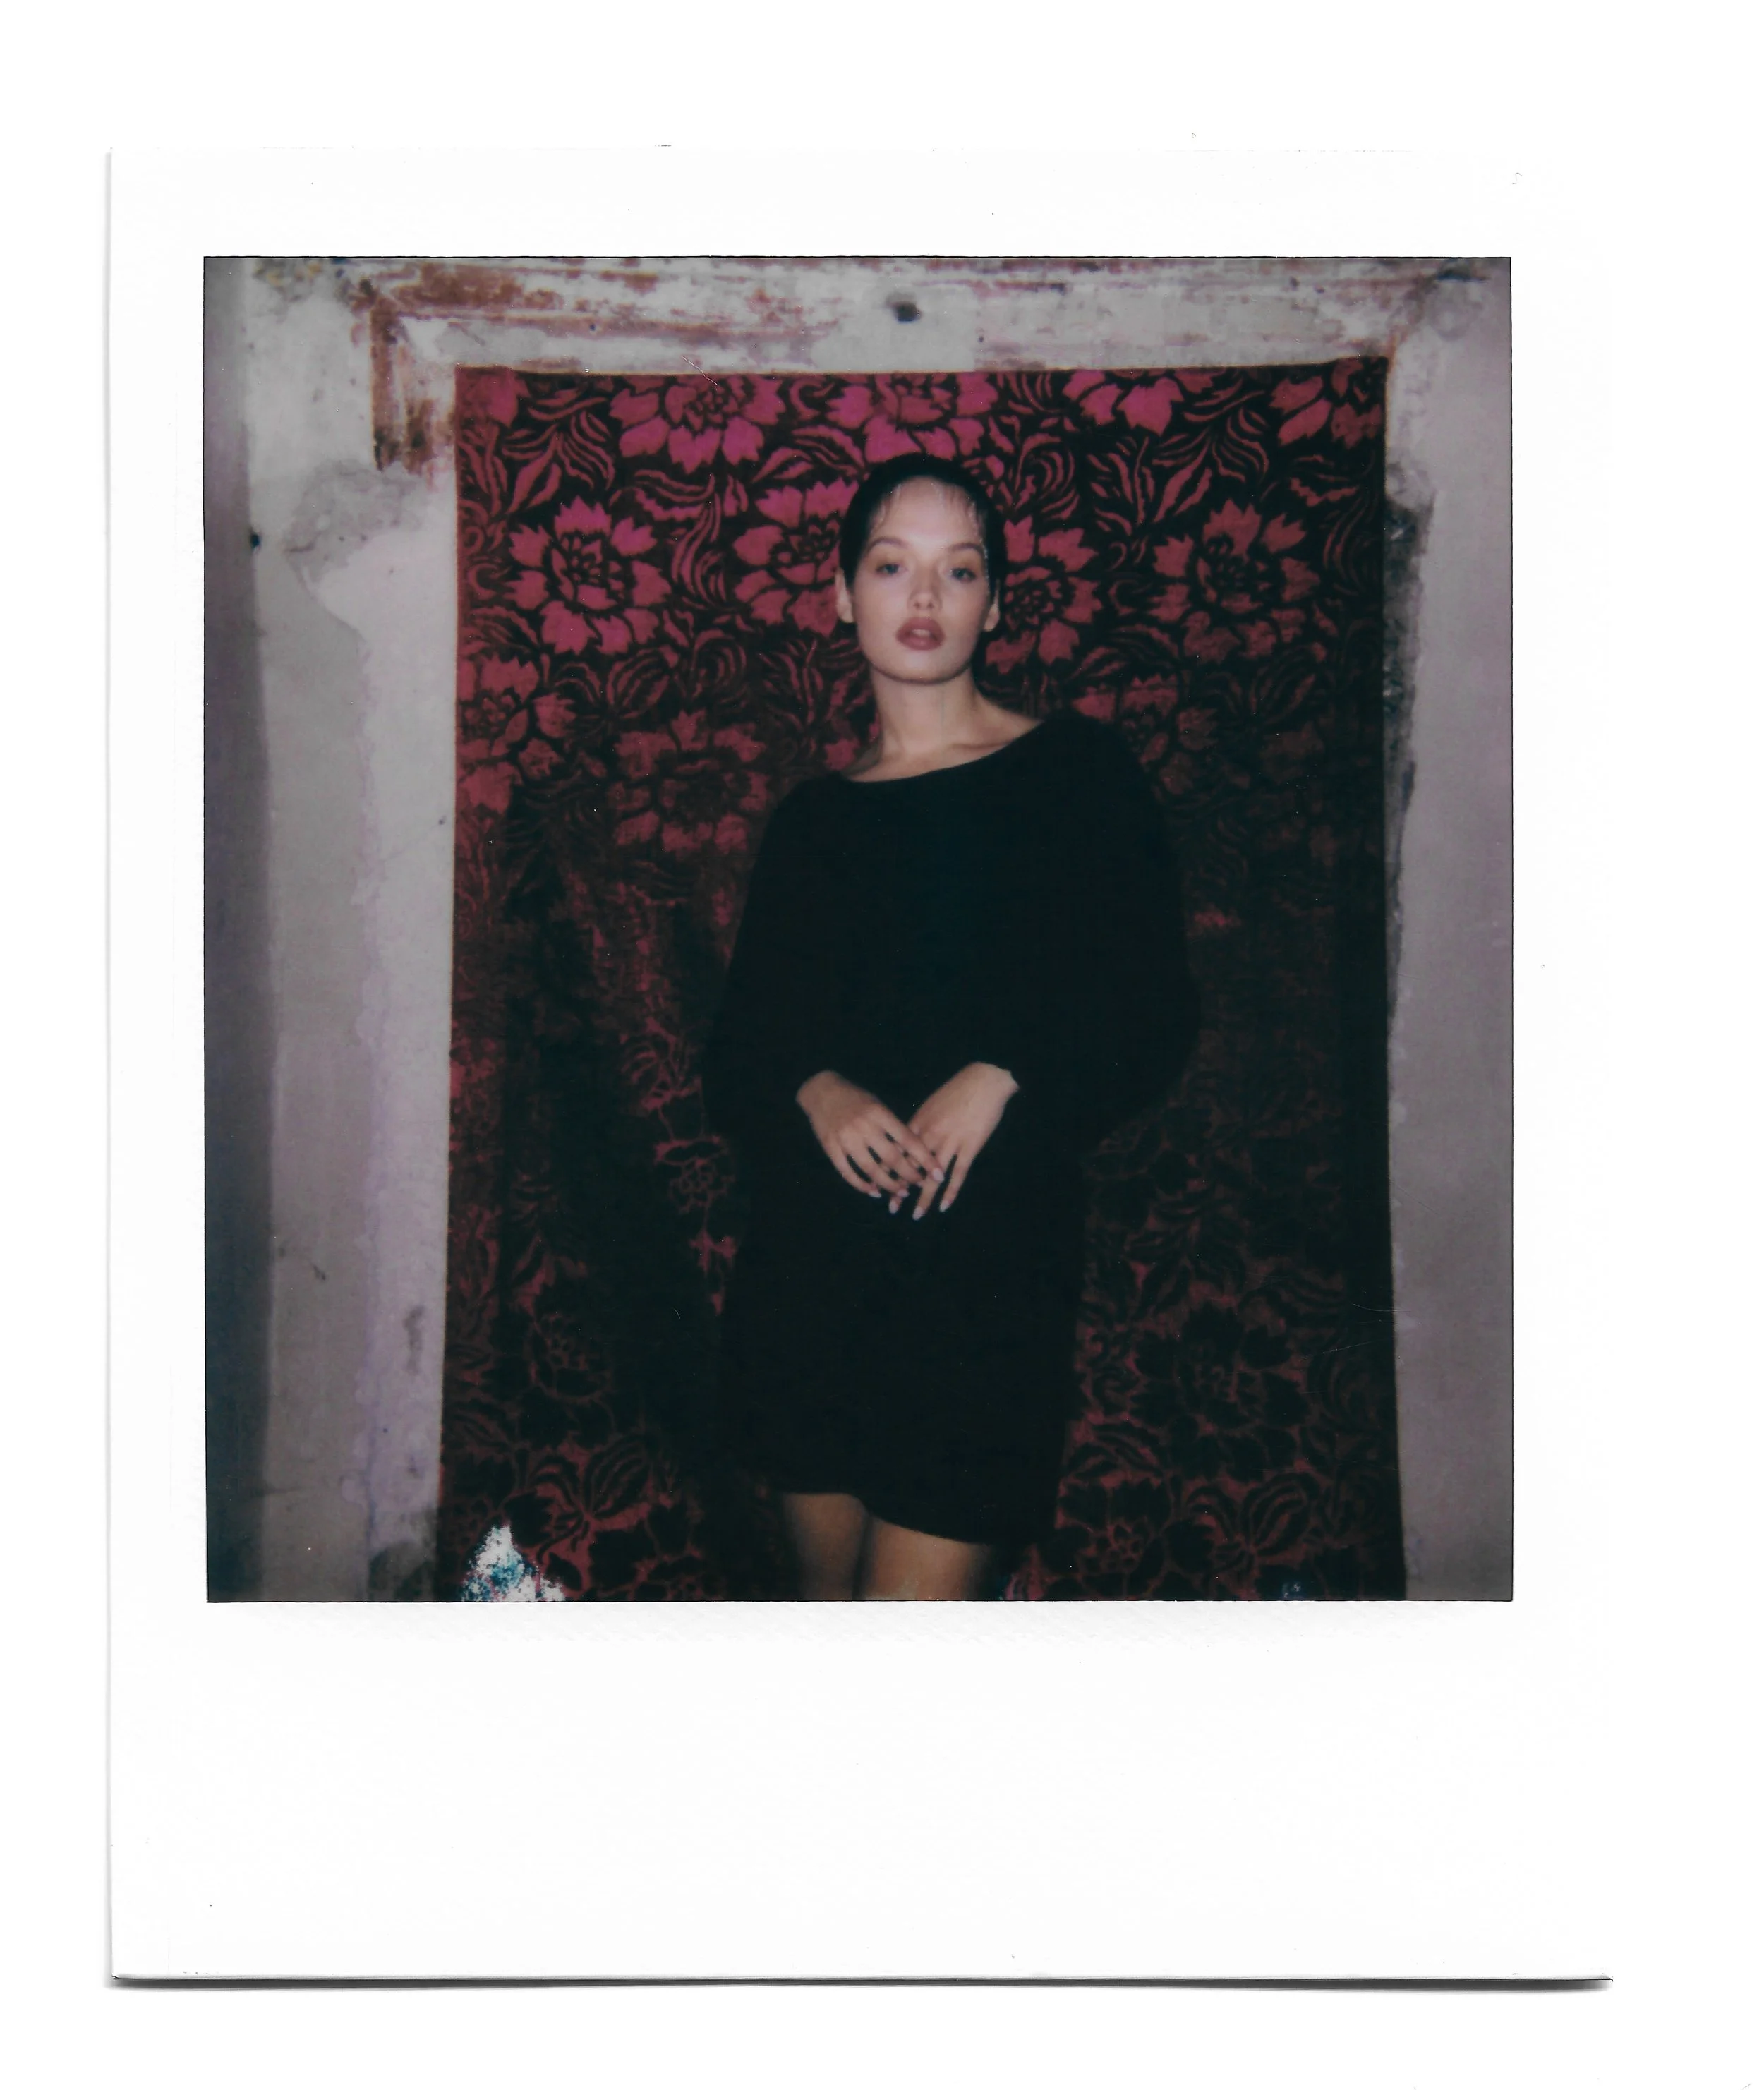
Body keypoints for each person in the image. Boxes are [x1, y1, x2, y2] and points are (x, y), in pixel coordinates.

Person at [701, 454, 1199, 1600]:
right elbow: (737, 1054)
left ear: (994, 601)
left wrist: (1007, 1070)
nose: (924, 596)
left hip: (983, 1290)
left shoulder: (1075, 770)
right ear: (842, 595)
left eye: (958, 570)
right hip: (811, 1284)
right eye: (891, 566)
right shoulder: (814, 820)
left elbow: (1155, 1005)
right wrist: (818, 1087)